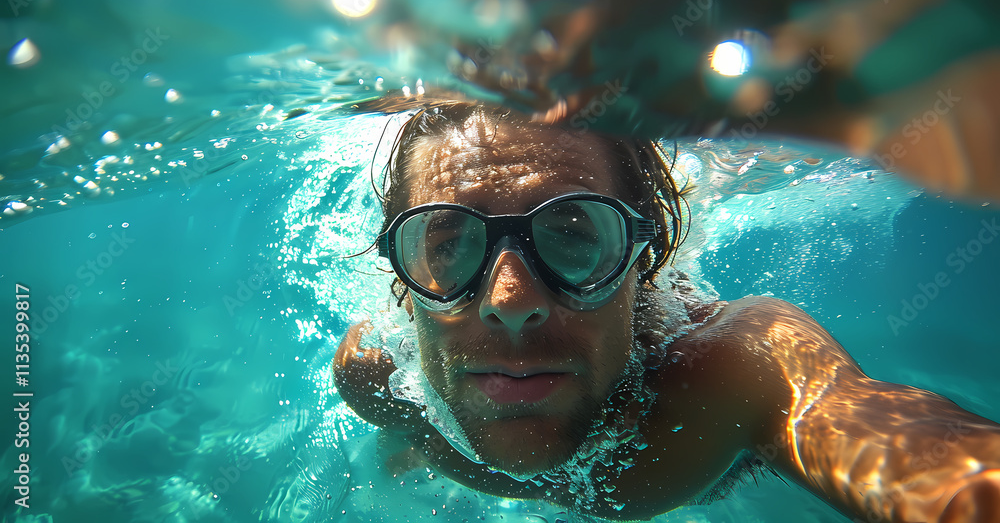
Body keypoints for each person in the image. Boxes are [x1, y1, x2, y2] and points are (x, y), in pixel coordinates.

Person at [334, 95, 1000, 522]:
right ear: (402, 271)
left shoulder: (732, 372)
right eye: (448, 243)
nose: (512, 302)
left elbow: (928, 463)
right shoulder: (376, 379)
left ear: (642, 257)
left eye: (573, 234)